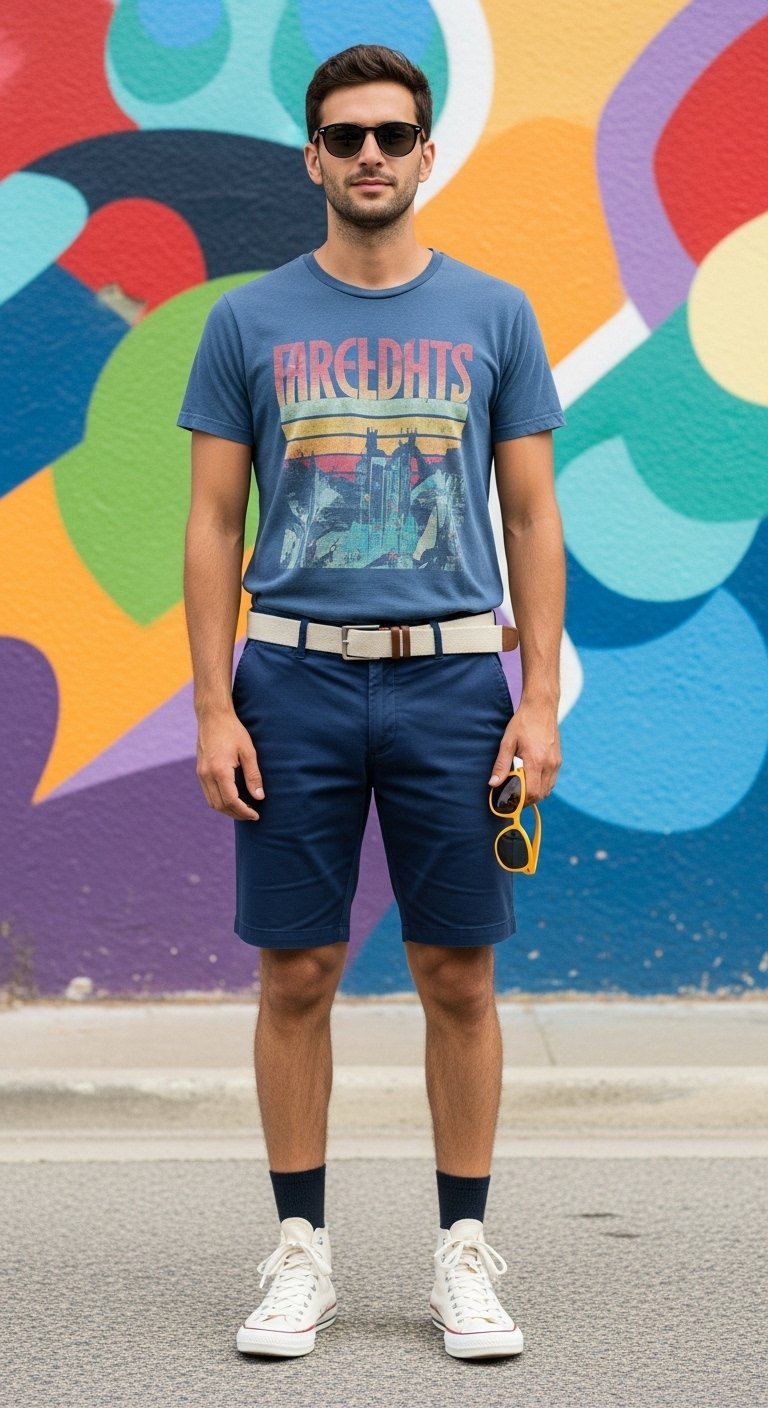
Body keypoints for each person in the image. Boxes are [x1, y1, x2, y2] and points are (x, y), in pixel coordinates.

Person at [177, 43, 566, 1362]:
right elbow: (211, 521)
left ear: (426, 152)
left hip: (456, 682)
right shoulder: (247, 321)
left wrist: (539, 700)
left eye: (393, 134)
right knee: (298, 970)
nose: (370, 157)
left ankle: (464, 1251)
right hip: (289, 680)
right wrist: (213, 707)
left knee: (459, 971)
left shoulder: (494, 316)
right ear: (313, 157)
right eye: (346, 137)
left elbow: (529, 512)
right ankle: (300, 1253)